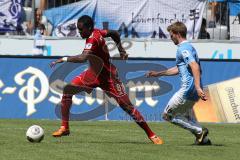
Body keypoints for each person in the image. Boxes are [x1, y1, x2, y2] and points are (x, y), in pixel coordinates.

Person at [50, 15, 163, 144]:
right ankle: (65, 127)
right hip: (92, 74)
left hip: (108, 77)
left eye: (81, 30)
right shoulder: (97, 31)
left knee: (127, 107)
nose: (79, 32)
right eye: (78, 29)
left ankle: (151, 134)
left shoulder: (93, 39)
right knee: (68, 90)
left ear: (89, 28)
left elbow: (83, 58)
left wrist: (64, 59)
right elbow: (114, 33)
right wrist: (121, 49)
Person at [146, 22, 211, 145]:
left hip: (188, 89)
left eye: (171, 36)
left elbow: (194, 66)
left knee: (167, 115)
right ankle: (204, 140)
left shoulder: (183, 49)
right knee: (186, 117)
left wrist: (197, 87)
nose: (171, 39)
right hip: (193, 89)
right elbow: (179, 68)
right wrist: (158, 74)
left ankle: (199, 131)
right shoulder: (189, 47)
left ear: (178, 34)